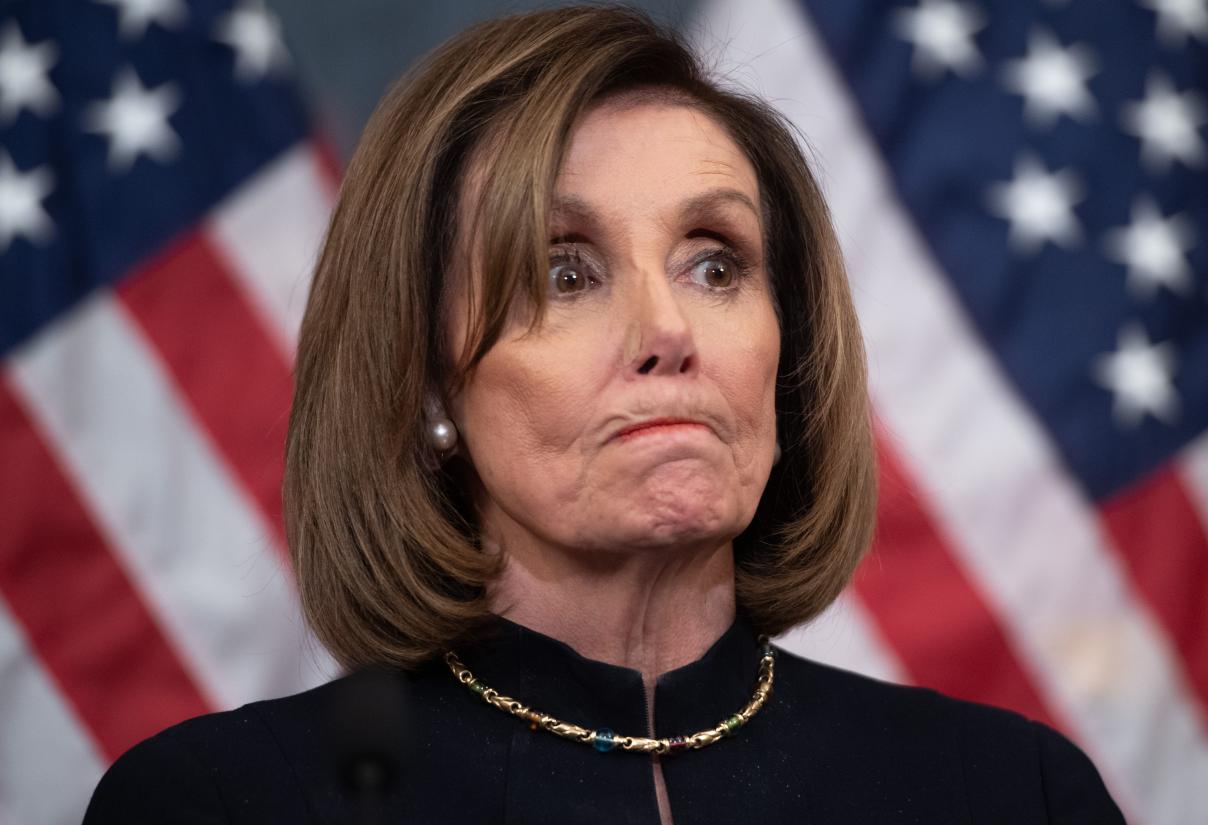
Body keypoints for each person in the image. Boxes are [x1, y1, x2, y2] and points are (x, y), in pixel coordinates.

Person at [83, 5, 1125, 824]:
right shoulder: (220, 805)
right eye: (564, 272)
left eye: (716, 263)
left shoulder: (1012, 795)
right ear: (428, 383)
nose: (668, 329)